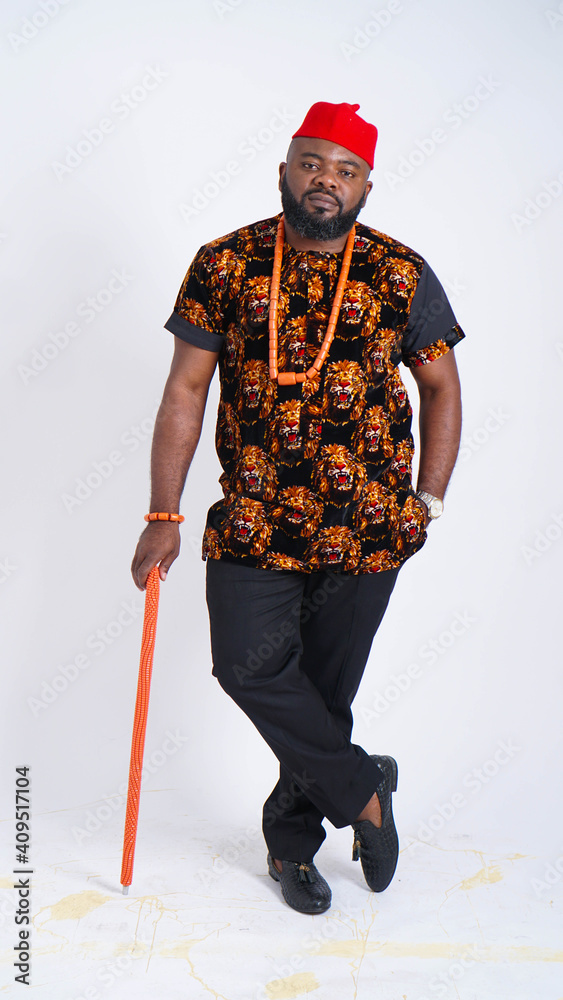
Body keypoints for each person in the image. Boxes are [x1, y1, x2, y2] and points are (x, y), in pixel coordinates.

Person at [131, 101, 464, 915]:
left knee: (322, 691)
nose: (326, 180)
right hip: (252, 519)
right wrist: (163, 513)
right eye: (312, 162)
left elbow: (440, 387)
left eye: (345, 169)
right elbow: (185, 389)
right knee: (245, 667)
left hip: (369, 525)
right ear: (283, 170)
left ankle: (291, 852)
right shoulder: (225, 263)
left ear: (366, 186)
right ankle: (365, 790)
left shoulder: (400, 272)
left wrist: (427, 503)